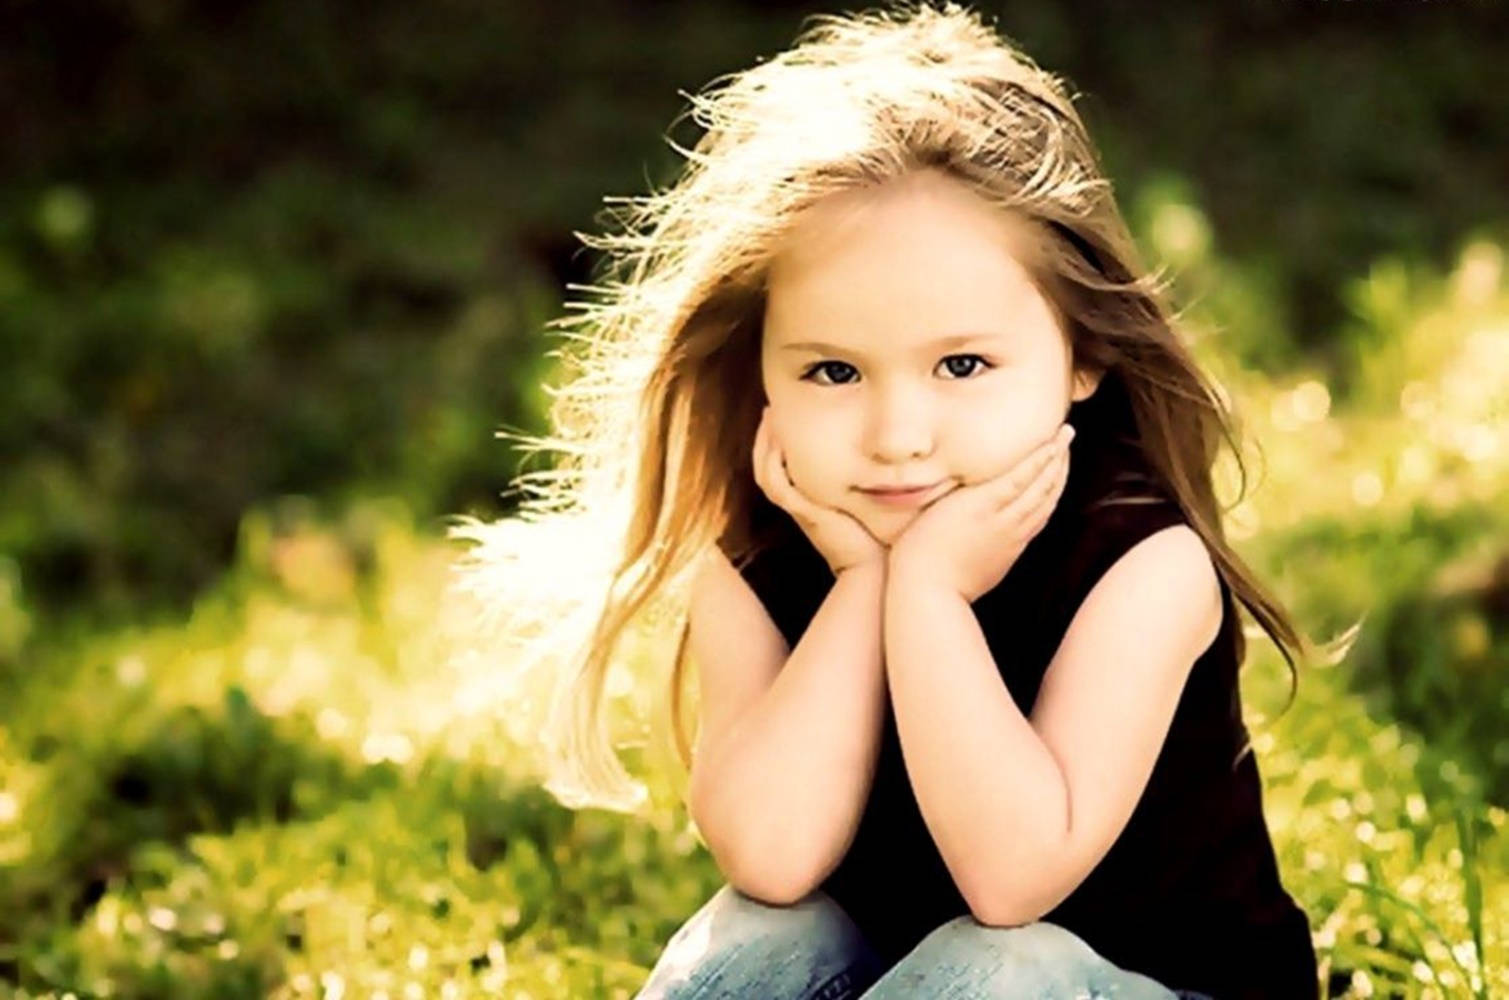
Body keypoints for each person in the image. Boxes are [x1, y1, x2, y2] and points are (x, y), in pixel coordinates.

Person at [446, 2, 1355, 997]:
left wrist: (926, 595)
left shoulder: (1141, 564)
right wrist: (860, 585)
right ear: (761, 371)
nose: (896, 434)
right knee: (760, 936)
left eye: (962, 364)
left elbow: (1011, 877)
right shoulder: (754, 554)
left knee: (995, 962)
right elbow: (775, 852)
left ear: (1084, 352)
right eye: (834, 372)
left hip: (1140, 983)